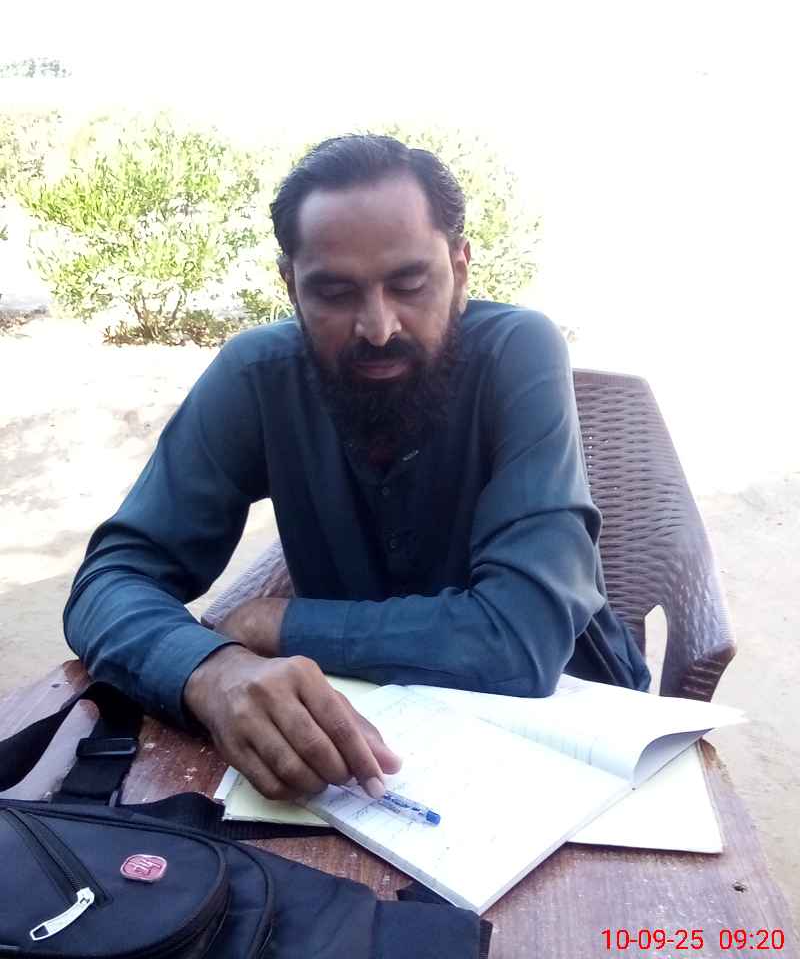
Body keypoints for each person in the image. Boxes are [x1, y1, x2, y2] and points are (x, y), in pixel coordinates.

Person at [64, 134, 649, 806]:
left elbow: (521, 639)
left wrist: (276, 623)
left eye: (409, 284)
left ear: (460, 269)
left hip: (574, 735)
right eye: (335, 292)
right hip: (357, 749)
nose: (377, 326)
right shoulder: (257, 376)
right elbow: (109, 582)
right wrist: (211, 671)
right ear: (291, 287)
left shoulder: (519, 352)